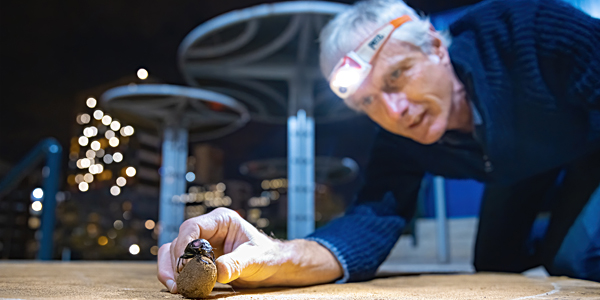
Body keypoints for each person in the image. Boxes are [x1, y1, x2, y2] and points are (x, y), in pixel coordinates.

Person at [158, 0, 600, 293]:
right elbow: (372, 220)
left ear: (434, 45)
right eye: (367, 101)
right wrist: (277, 254)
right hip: (518, 167)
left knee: (578, 255)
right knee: (494, 262)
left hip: (590, 144)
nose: (395, 111)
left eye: (397, 76)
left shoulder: (530, 28)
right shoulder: (398, 141)